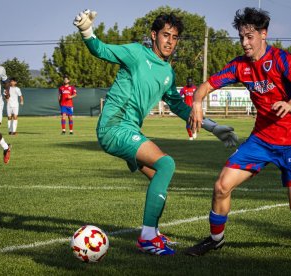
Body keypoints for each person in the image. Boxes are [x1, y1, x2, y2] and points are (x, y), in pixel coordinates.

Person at [73, 9, 238, 256]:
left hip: (129, 129)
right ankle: (147, 238)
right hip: (114, 126)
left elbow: (180, 107)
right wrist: (86, 30)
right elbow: (101, 49)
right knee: (166, 164)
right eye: (165, 35)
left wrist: (213, 127)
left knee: (158, 176)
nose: (170, 41)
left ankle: (153, 232)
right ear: (154, 35)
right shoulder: (137, 53)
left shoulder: (168, 73)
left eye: (174, 37)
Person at [185, 7, 291, 256]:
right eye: (241, 37)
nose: (245, 43)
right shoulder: (239, 66)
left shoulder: (281, 59)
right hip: (262, 140)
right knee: (221, 186)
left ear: (263, 34)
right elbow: (207, 85)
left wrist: (290, 104)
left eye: (250, 37)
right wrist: (198, 103)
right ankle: (216, 239)